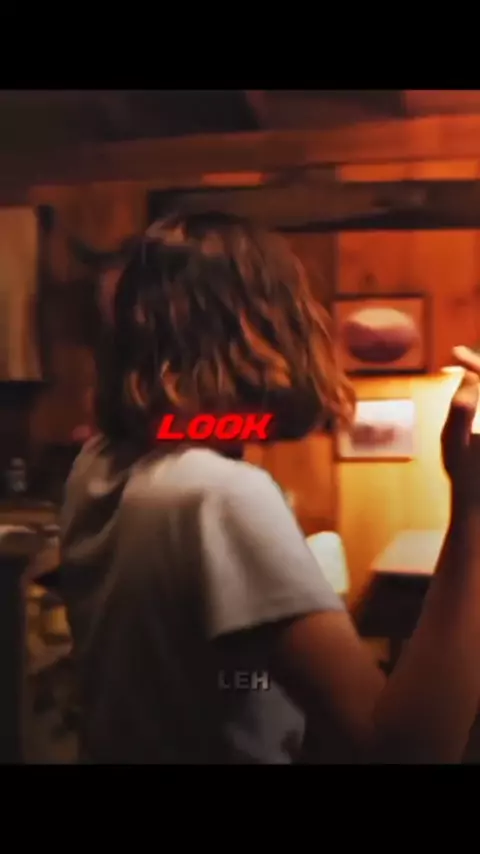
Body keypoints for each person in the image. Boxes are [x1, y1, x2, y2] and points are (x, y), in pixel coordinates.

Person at [60, 211, 480, 764]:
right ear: (260, 328)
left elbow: (203, 424)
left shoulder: (99, 464)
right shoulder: (216, 496)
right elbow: (407, 755)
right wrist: (472, 509)